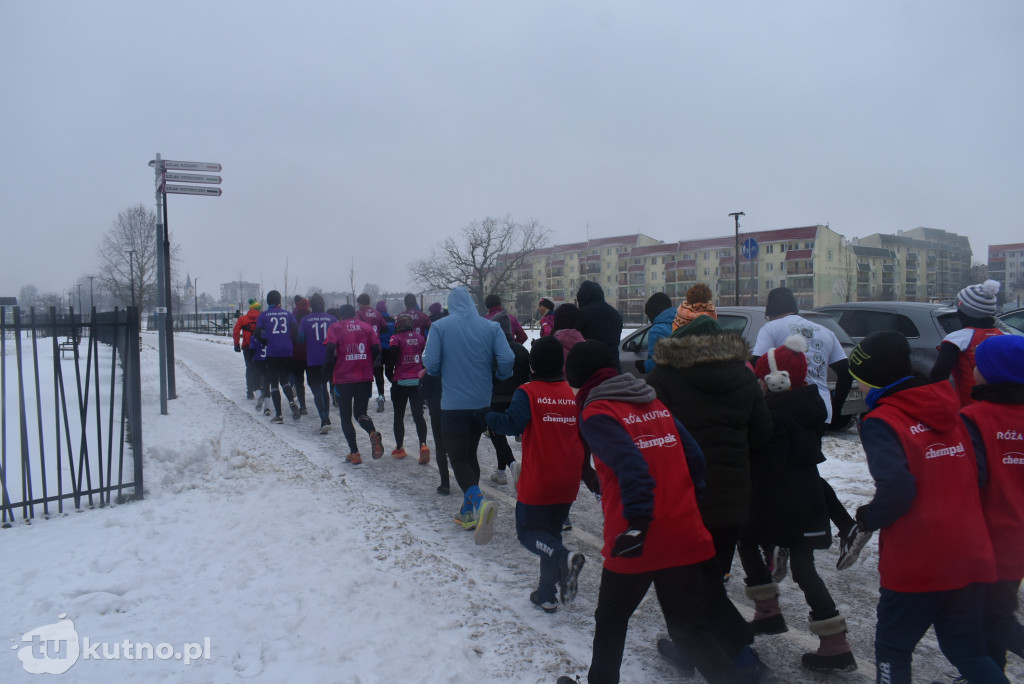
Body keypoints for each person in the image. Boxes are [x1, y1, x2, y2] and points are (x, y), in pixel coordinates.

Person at [557, 340, 774, 684]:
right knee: (690, 628)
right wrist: (690, 500)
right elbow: (694, 456)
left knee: (612, 619)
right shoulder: (651, 400)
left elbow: (632, 466)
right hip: (684, 532)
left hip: (638, 538)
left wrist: (640, 522)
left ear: (579, 379)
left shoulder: (597, 412)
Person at [841, 330, 1005, 684]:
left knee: (893, 650)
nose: (860, 390)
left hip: (919, 558)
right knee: (969, 651)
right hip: (969, 550)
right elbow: (977, 474)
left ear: (875, 379)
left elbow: (898, 489)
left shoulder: (882, 421)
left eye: (860, 381)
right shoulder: (952, 407)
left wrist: (869, 516)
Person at [739, 334, 856, 672]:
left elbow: (769, 467)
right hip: (808, 500)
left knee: (745, 538)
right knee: (805, 571)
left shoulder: (774, 418)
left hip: (779, 502)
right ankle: (835, 643)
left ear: (775, 382)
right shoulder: (809, 407)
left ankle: (767, 611)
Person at [644, 309, 773, 582]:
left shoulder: (663, 376)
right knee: (718, 566)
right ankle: (717, 590)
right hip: (732, 488)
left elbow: (650, 430)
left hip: (681, 487)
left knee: (683, 570)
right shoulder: (744, 374)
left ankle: (691, 613)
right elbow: (763, 433)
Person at [485, 336, 590, 613]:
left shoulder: (528, 392)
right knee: (550, 535)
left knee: (528, 533)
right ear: (562, 366)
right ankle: (546, 594)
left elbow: (511, 424)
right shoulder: (572, 394)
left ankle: (564, 558)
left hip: (540, 479)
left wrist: (489, 417)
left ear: (532, 366)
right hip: (567, 480)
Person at [751, 286, 858, 545]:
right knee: (804, 470)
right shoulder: (825, 331)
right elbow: (845, 372)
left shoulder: (772, 329)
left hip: (787, 408)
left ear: (770, 312)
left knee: (784, 470)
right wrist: (837, 405)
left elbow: (756, 365)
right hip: (817, 408)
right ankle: (842, 524)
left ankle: (786, 535)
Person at [421, 286, 514, 545]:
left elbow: (432, 364)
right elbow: (506, 358)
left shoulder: (440, 327)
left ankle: (480, 502)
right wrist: (502, 376)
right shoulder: (491, 327)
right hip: (482, 404)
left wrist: (438, 366)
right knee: (469, 453)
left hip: (453, 405)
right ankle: (468, 512)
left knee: (457, 457)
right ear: (472, 304)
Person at [959, 335, 1024, 671]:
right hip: (1017, 540)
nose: (973, 368)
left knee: (995, 620)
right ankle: (991, 674)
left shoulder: (975, 418)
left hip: (986, 538)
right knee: (995, 615)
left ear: (996, 372)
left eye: (979, 364)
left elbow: (971, 480)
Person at [324, 304, 384, 464]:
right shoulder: (366, 327)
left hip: (344, 377)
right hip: (364, 375)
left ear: (341, 315)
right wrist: (368, 361)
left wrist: (328, 369)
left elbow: (330, 348)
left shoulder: (336, 327)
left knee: (345, 416)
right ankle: (372, 432)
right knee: (360, 413)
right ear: (354, 314)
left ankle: (355, 453)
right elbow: (377, 348)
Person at [931, 279, 1004, 407]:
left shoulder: (956, 339)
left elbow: (937, 378)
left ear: (964, 312)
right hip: (1006, 412)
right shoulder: (1006, 337)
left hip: (970, 413)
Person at [487, 313, 530, 485]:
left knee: (497, 434)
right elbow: (527, 374)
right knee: (509, 434)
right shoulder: (521, 350)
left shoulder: (492, 350)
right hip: (518, 398)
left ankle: (511, 465)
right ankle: (501, 471)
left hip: (496, 398)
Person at [385, 313, 430, 464]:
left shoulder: (396, 338)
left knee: (399, 416)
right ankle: (423, 446)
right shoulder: (420, 338)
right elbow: (426, 357)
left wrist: (390, 375)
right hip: (417, 382)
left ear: (398, 325)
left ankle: (399, 448)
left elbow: (393, 357)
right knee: (418, 416)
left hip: (401, 381)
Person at [254, 290, 301, 424]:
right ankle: (292, 402)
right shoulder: (287, 314)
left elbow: (257, 334)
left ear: (268, 301)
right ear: (279, 301)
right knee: (285, 380)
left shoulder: (264, 315)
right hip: (287, 350)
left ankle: (279, 415)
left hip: (273, 352)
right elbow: (297, 329)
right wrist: (289, 340)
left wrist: (265, 342)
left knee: (274, 383)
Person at [298, 293, 337, 434]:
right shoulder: (332, 319)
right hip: (329, 359)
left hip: (313, 359)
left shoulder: (305, 320)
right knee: (324, 388)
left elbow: (301, 339)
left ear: (311, 305)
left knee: (316, 390)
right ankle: (326, 417)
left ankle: (324, 419)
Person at [422, 302, 450, 494]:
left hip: (437, 404)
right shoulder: (458, 350)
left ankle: (445, 483)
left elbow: (425, 389)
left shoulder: (433, 355)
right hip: (457, 401)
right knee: (459, 444)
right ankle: (469, 482)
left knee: (440, 444)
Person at [575, 280, 623, 372]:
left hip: (591, 367)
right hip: (614, 365)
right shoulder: (615, 314)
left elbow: (577, 340)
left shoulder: (582, 314)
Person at [355, 293, 387, 413]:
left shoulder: (359, 314)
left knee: (365, 375)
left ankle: (364, 401)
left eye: (358, 302)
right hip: (377, 346)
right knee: (378, 373)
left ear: (362, 303)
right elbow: (385, 328)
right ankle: (381, 396)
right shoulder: (377, 313)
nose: (358, 305)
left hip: (364, 348)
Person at [636, 291, 674, 375]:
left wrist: (643, 366)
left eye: (649, 315)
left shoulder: (657, 330)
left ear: (654, 313)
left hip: (666, 379)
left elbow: (657, 362)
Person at [232, 298, 262, 399]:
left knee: (249, 368)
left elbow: (236, 331)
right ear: (258, 308)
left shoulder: (242, 319)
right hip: (260, 347)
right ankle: (262, 389)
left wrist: (237, 344)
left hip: (247, 346)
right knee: (261, 368)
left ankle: (250, 392)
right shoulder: (262, 317)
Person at [290, 295, 311, 416]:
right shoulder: (310, 316)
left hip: (297, 353)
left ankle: (303, 406)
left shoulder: (294, 317)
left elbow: (291, 335)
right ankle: (323, 405)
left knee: (299, 381)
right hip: (310, 353)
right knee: (315, 382)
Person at [376, 300, 395, 410]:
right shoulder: (393, 321)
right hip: (390, 350)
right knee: (389, 372)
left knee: (378, 373)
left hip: (379, 350)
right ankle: (398, 387)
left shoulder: (376, 320)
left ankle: (381, 395)